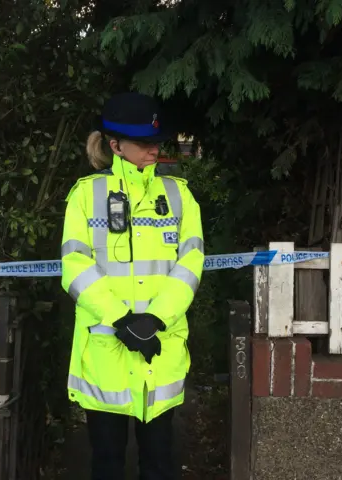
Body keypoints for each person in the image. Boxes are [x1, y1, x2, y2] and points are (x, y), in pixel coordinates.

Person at [60, 92, 205, 480]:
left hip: (159, 354)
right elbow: (74, 267)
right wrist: (121, 319)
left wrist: (154, 318)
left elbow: (191, 264)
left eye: (156, 141)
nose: (153, 149)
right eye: (143, 142)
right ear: (114, 145)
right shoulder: (85, 196)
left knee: (159, 464)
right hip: (107, 352)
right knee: (106, 463)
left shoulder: (179, 196)